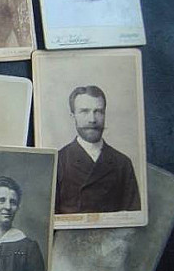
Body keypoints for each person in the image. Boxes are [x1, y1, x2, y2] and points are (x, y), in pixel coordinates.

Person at [56, 86, 140, 214]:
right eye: (84, 111)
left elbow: (134, 216)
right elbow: (49, 219)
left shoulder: (122, 163)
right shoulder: (58, 161)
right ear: (73, 116)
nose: (92, 119)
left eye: (99, 112)